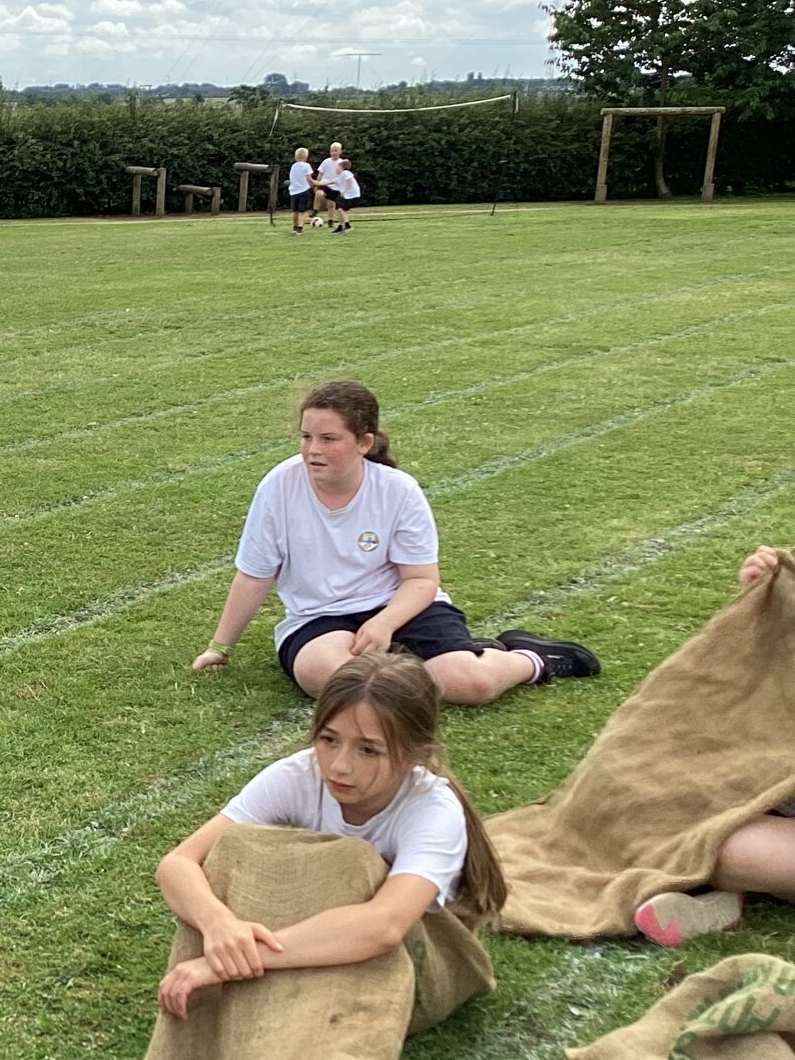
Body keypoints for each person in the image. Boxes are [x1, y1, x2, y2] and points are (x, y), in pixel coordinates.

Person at [193, 380, 599, 703]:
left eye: (329, 439)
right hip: (320, 618)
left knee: (469, 684)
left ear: (364, 443)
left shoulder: (398, 490)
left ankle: (532, 659)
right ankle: (411, 663)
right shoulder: (279, 485)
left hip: (400, 606)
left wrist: (384, 622)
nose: (312, 450)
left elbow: (421, 580)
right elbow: (254, 575)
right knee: (336, 681)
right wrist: (219, 647)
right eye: (306, 437)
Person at [155, 651, 505, 1018]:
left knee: (353, 862)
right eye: (329, 739)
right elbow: (178, 863)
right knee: (235, 846)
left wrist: (238, 959)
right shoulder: (300, 775)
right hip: (321, 934)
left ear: (414, 756)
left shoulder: (432, 808)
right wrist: (219, 925)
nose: (339, 765)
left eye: (368, 750)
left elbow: (385, 925)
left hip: (412, 954)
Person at [630, 545, 795, 944]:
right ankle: (737, 890)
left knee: (720, 845)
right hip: (771, 789)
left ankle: (741, 887)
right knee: (659, 807)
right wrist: (768, 602)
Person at [287, 147, 315, 233]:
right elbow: (309, 178)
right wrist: (313, 184)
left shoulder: (293, 166)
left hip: (294, 191)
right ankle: (300, 227)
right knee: (302, 211)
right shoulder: (306, 166)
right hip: (303, 190)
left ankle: (294, 226)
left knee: (295, 211)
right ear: (306, 157)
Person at [315, 140, 344, 221]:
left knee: (331, 204)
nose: (333, 152)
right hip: (325, 183)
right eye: (332, 151)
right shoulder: (326, 161)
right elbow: (320, 173)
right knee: (319, 193)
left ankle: (330, 219)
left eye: (336, 150)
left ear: (340, 151)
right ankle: (315, 210)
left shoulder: (341, 163)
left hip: (334, 186)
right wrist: (318, 183)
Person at [332, 159, 363, 233]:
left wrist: (344, 191)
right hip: (350, 196)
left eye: (337, 167)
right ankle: (340, 226)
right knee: (340, 209)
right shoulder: (340, 177)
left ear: (342, 167)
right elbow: (328, 182)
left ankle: (347, 225)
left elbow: (349, 181)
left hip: (353, 195)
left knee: (341, 209)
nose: (336, 169)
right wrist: (315, 182)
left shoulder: (345, 173)